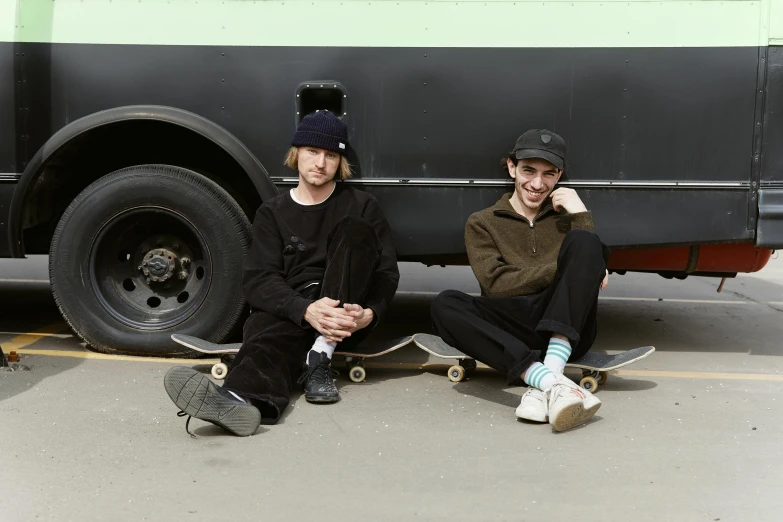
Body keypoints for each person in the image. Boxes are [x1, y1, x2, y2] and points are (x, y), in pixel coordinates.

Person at [164, 111, 400, 436]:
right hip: (292, 308)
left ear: (340, 162)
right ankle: (238, 402)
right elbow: (259, 279)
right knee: (265, 340)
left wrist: (371, 313)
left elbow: (386, 272)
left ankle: (321, 355)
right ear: (296, 154)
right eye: (313, 152)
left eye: (331, 155)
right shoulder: (272, 213)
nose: (320, 162)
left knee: (355, 231)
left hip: (345, 314)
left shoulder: (361, 206)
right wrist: (304, 309)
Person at [431, 129, 610, 432]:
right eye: (528, 170)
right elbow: (497, 286)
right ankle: (550, 382)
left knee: (585, 243)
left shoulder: (567, 221)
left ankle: (548, 372)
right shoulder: (482, 222)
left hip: (566, 327)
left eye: (549, 174)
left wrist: (580, 215)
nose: (538, 184)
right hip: (510, 325)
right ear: (512, 167)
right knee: (444, 303)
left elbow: (593, 262)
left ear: (559, 176)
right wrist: (572, 269)